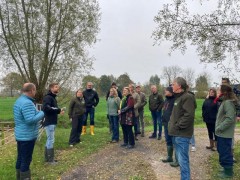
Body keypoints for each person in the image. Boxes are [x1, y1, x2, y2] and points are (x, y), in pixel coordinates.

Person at [14, 83, 44, 179]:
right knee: (26, 160)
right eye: (34, 90)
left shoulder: (19, 100)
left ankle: (19, 177)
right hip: (27, 136)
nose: (35, 92)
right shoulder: (27, 103)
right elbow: (30, 120)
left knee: (20, 158)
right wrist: (43, 112)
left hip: (21, 135)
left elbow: (28, 116)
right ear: (31, 90)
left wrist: (37, 113)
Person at [168, 77, 195, 180]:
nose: (171, 86)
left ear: (179, 86)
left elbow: (189, 115)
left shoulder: (187, 97)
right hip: (177, 134)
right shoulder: (178, 97)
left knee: (183, 161)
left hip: (182, 134)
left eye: (173, 84)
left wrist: (177, 126)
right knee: (181, 160)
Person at [215, 85, 237, 178]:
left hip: (225, 133)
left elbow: (230, 119)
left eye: (219, 90)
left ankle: (228, 173)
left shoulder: (228, 103)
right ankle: (225, 168)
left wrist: (220, 127)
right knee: (222, 151)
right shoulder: (224, 101)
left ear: (223, 92)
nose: (217, 91)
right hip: (222, 133)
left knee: (225, 152)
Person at [42, 83, 65, 163]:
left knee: (49, 139)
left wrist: (59, 111)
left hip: (52, 121)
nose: (58, 88)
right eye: (56, 87)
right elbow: (46, 108)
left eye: (58, 87)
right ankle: (50, 160)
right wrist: (58, 110)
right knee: (51, 140)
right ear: (51, 88)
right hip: (49, 122)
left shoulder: (53, 98)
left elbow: (53, 109)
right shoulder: (48, 97)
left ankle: (47, 159)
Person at [161, 86, 175, 163]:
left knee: (174, 141)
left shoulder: (174, 100)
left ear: (170, 92)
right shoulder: (166, 99)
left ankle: (177, 159)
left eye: (166, 91)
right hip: (166, 123)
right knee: (168, 140)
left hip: (172, 124)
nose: (165, 92)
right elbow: (165, 110)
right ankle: (169, 157)